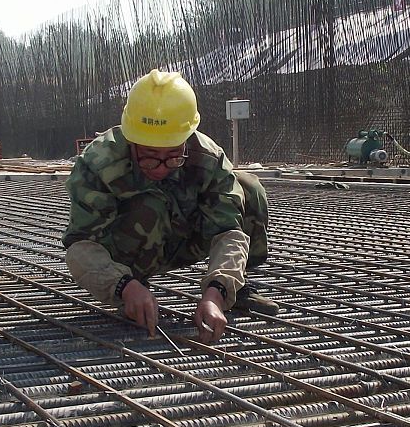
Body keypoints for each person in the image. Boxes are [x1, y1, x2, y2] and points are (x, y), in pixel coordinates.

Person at [63, 68, 275, 343]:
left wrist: (217, 291)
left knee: (248, 187)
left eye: (174, 156)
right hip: (130, 254)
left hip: (184, 238)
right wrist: (124, 287)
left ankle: (236, 289)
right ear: (132, 141)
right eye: (150, 157)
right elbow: (81, 248)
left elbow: (229, 233)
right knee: (145, 207)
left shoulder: (209, 158)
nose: (162, 168)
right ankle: (135, 293)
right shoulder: (98, 164)